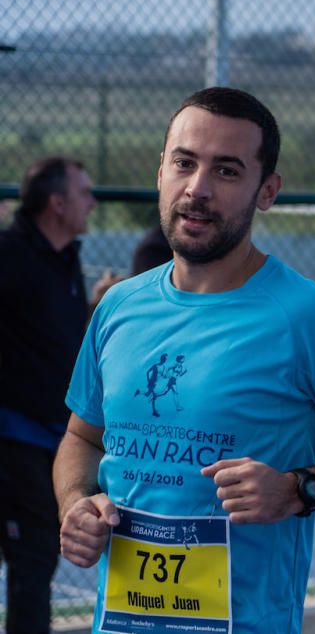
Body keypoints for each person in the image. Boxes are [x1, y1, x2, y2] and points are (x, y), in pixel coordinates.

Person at [53, 87, 315, 634]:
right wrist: (74, 503)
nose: (198, 189)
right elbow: (82, 438)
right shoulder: (119, 306)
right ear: (160, 170)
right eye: (184, 163)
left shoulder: (309, 317)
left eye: (227, 171)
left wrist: (298, 488)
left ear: (267, 190)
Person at [0, 157, 119, 633]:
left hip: (45, 441)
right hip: (14, 444)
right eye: (84, 193)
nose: (92, 202)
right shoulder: (9, 257)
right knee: (31, 570)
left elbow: (53, 343)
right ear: (57, 203)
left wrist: (94, 308)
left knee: (34, 571)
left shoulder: (62, 260)